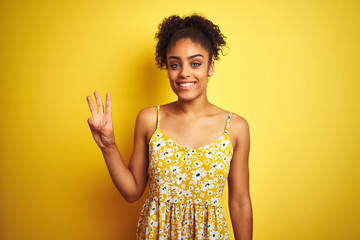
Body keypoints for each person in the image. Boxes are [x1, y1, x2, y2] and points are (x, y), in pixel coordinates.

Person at [86, 14, 252, 240]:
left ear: (210, 66)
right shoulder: (149, 119)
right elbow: (132, 192)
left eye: (195, 63)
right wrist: (108, 146)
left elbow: (241, 202)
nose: (184, 73)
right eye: (175, 64)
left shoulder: (235, 128)